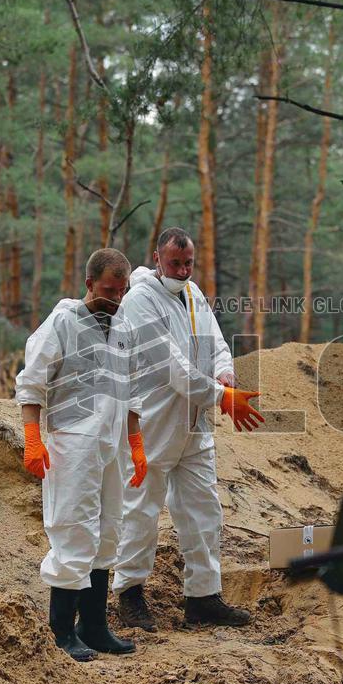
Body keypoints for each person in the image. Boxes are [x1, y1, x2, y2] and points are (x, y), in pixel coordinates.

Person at [112, 227, 264, 630]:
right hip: (154, 420)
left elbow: (215, 342)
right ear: (157, 258)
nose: (182, 270)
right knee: (141, 508)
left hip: (195, 424)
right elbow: (173, 367)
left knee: (203, 509)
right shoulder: (140, 301)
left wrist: (225, 374)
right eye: (175, 263)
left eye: (188, 263)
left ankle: (203, 596)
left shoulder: (194, 296)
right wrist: (220, 396)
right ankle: (129, 594)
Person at [15, 248, 147, 662]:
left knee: (109, 529)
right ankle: (60, 631)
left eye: (122, 291)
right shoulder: (61, 323)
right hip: (72, 441)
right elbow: (32, 383)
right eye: (109, 290)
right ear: (89, 283)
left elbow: (133, 389)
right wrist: (32, 437)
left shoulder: (124, 326)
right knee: (74, 528)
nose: (116, 298)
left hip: (111, 445)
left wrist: (136, 442)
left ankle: (93, 625)